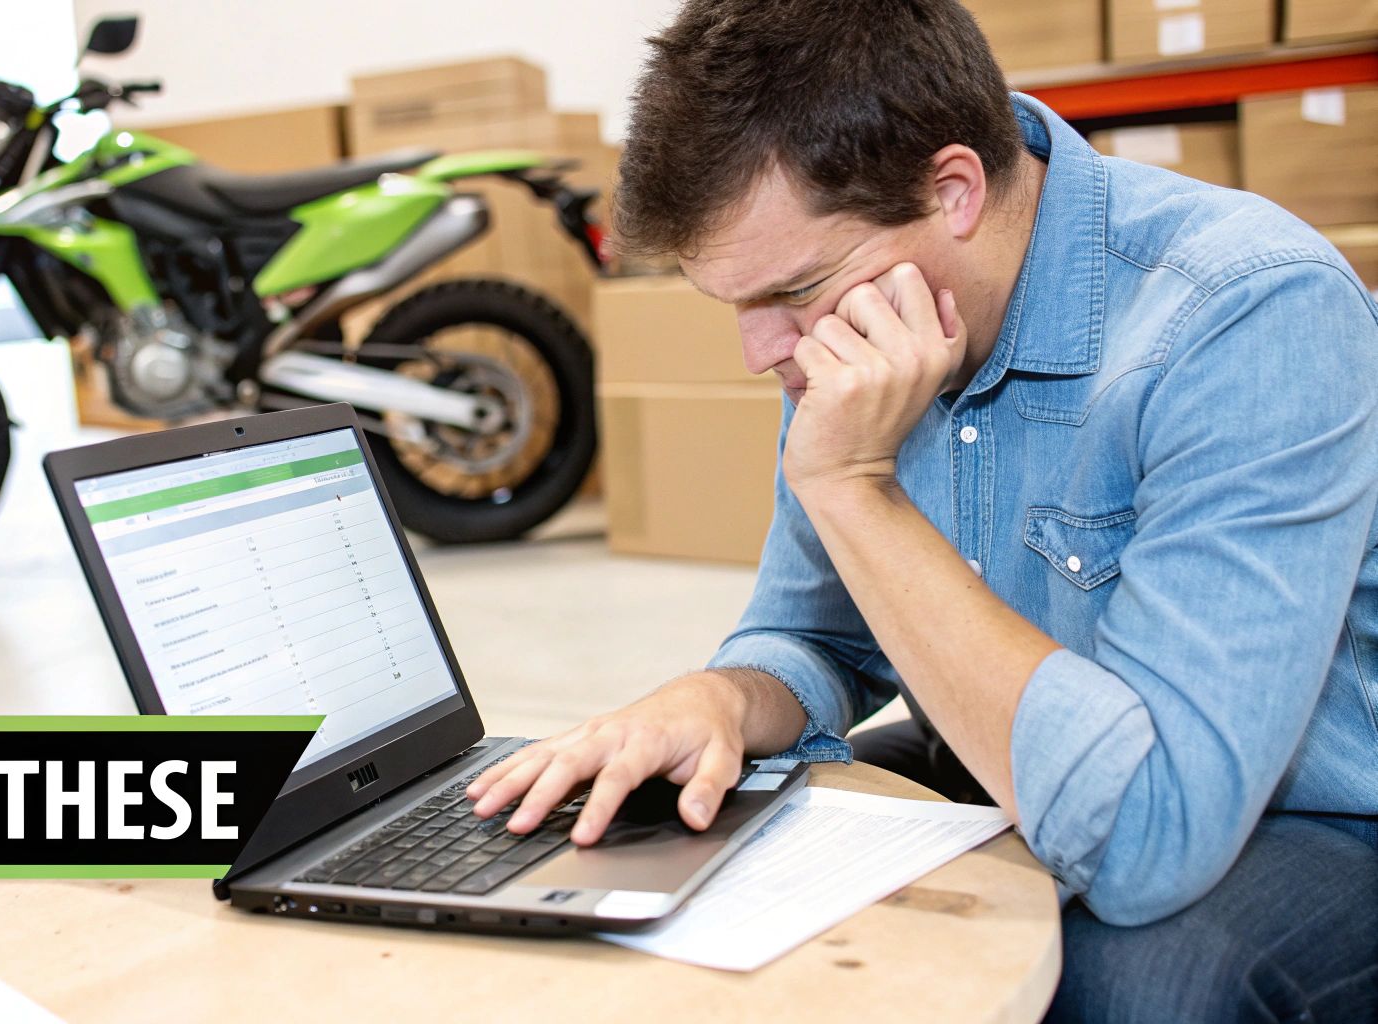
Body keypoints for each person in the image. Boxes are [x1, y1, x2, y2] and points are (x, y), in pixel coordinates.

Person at [465, 1, 1378, 1018]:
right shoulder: (860, 320)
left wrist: (852, 485)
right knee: (706, 842)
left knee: (1142, 978)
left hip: (1302, 815)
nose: (761, 354)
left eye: (794, 290)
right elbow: (811, 636)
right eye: (732, 306)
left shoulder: (1243, 313)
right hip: (1005, 756)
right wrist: (720, 697)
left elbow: (1150, 831)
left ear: (951, 190)